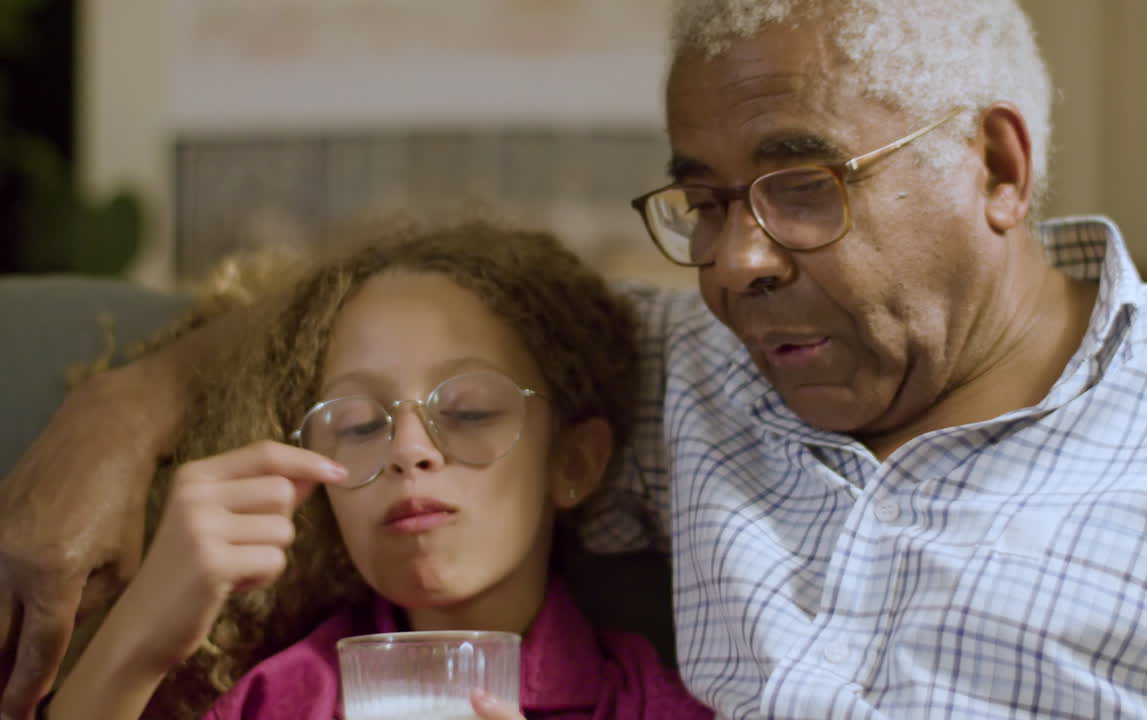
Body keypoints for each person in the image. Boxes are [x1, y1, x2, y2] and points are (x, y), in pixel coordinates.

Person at [3, 0, 1147, 718]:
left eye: (799, 185)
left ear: (994, 167)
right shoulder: (697, 367)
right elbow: (426, 322)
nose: (731, 268)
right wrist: (125, 402)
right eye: (705, 201)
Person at [38, 223, 712, 720]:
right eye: (359, 425)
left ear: (573, 462)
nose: (408, 449)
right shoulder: (283, 699)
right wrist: (139, 637)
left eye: (470, 411)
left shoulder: (647, 703)